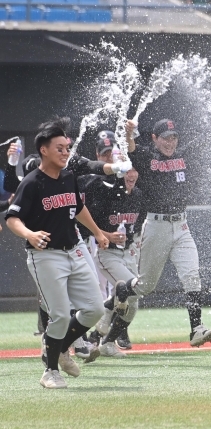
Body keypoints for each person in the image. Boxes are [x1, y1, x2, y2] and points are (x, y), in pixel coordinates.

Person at [3, 118, 131, 388]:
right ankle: (50, 371)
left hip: (75, 249)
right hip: (45, 255)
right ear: (44, 150)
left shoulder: (68, 176)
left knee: (94, 309)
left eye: (67, 148)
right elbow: (12, 219)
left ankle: (60, 347)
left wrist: (97, 232)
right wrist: (29, 234)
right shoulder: (32, 182)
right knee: (60, 315)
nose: (65, 153)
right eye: (59, 148)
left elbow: (77, 207)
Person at [124, 118, 211, 347]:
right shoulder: (148, 157)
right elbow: (131, 148)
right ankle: (117, 296)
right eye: (165, 137)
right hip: (156, 225)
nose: (170, 142)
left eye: (174, 137)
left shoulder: (182, 156)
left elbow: (206, 135)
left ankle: (196, 329)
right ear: (155, 138)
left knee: (192, 275)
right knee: (145, 286)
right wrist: (128, 134)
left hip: (182, 225)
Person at [80, 132, 143, 359]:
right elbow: (89, 225)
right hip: (105, 251)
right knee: (119, 289)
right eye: (105, 154)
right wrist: (107, 234)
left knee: (133, 298)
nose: (131, 174)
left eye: (134, 170)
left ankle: (105, 340)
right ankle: (90, 336)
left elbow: (137, 224)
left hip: (127, 252)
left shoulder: (137, 195)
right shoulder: (100, 189)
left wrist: (135, 240)